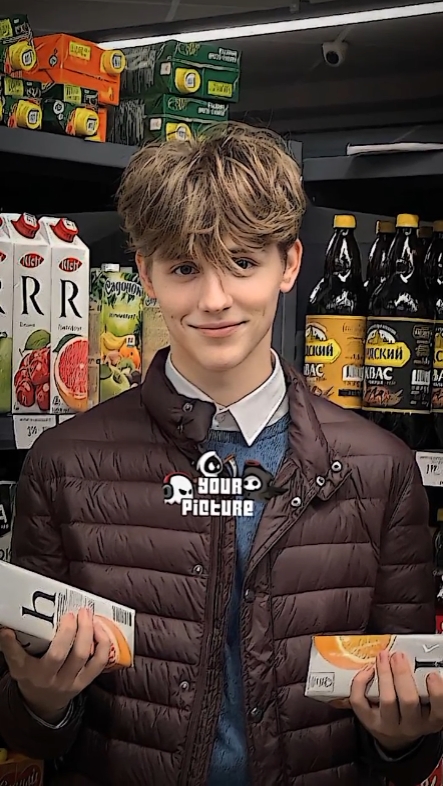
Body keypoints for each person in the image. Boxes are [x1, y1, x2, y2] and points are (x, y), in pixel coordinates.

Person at [0, 123, 442, 786]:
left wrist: (399, 739)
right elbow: (21, 725)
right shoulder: (62, 464)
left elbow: (411, 739)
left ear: (289, 264)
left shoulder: (382, 470)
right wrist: (42, 701)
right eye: (184, 268)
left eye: (242, 262)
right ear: (146, 273)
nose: (214, 300)